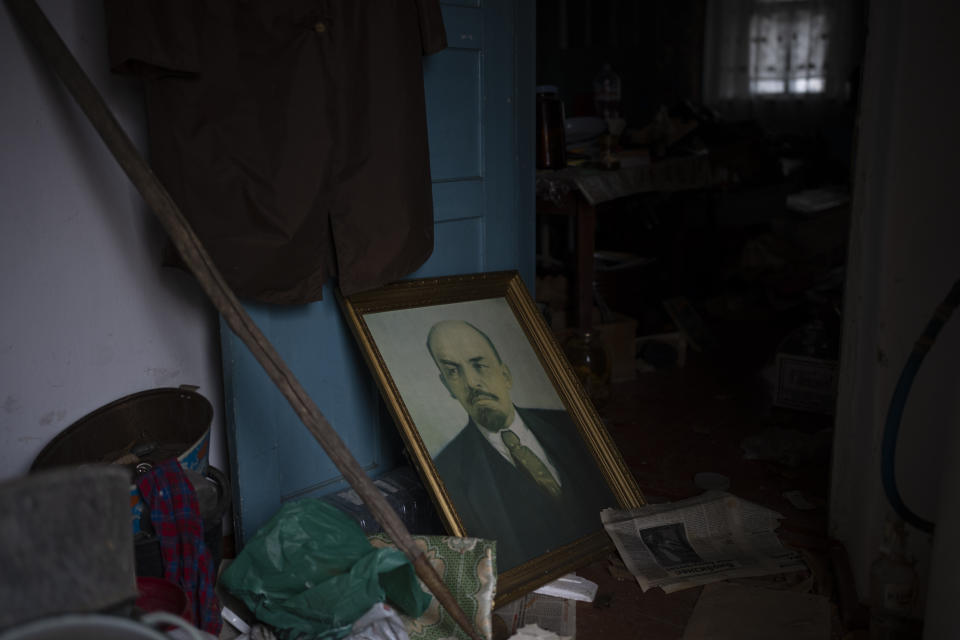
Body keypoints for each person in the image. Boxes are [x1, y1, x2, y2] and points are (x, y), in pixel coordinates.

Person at [427, 320, 617, 571]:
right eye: (453, 371)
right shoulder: (446, 472)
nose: (472, 382)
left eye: (479, 365)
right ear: (447, 386)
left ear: (505, 375)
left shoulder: (570, 426)